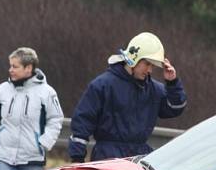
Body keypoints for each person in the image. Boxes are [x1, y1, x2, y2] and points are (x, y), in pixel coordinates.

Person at [68, 32, 187, 162]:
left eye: (152, 66)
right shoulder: (103, 85)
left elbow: (175, 108)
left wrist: (172, 83)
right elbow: (83, 121)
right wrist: (77, 158)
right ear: (133, 58)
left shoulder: (154, 89)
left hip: (140, 160)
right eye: (147, 64)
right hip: (107, 159)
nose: (150, 70)